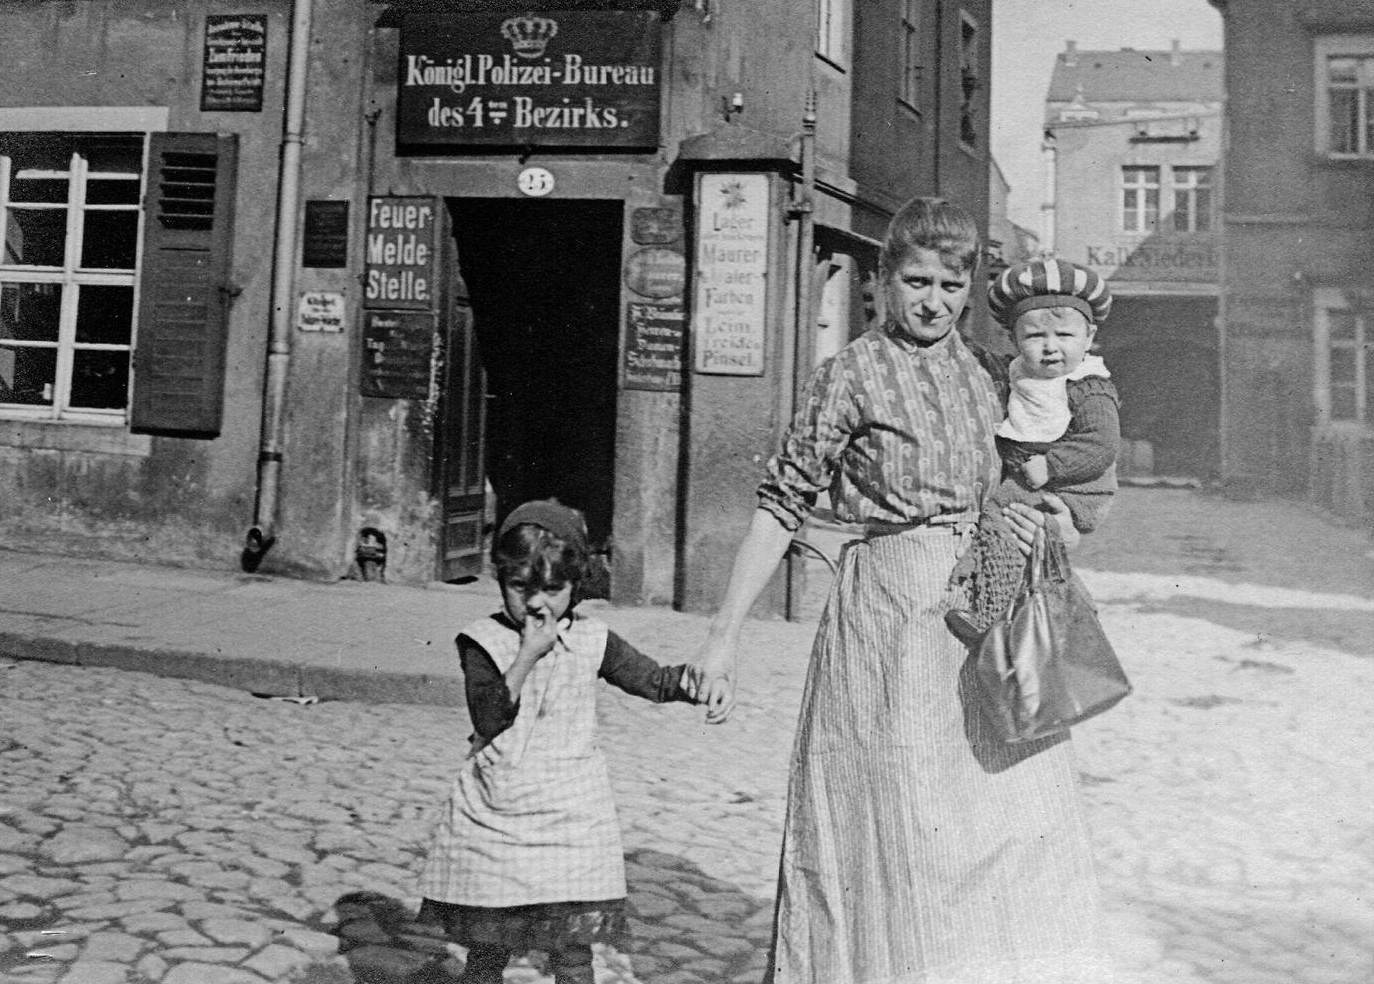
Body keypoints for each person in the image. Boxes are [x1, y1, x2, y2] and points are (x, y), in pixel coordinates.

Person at [695, 198, 1113, 983]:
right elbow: (781, 503)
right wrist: (723, 637)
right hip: (889, 617)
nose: (933, 301)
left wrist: (1052, 516)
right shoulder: (849, 374)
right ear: (884, 279)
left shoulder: (994, 374)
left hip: (988, 607)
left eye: (951, 285)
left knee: (1002, 818)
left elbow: (1065, 464)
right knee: (898, 820)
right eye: (916, 280)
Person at [418, 500, 705, 984]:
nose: (537, 604)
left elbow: (652, 680)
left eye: (554, 589)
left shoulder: (593, 639)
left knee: (572, 951)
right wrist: (528, 655)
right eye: (520, 587)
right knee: (490, 949)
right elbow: (489, 716)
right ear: (500, 580)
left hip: (572, 815)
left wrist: (698, 683)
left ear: (575, 585)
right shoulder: (483, 641)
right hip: (500, 814)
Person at [947, 259, 1122, 646]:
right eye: (1035, 337)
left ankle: (989, 614)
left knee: (1000, 518)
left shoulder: (1087, 386)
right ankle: (983, 571)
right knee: (1003, 524)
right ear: (1013, 339)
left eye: (1064, 335)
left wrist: (1052, 465)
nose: (1050, 348)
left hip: (1074, 487)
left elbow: (1101, 444)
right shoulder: (1019, 375)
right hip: (1037, 476)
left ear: (1089, 336)